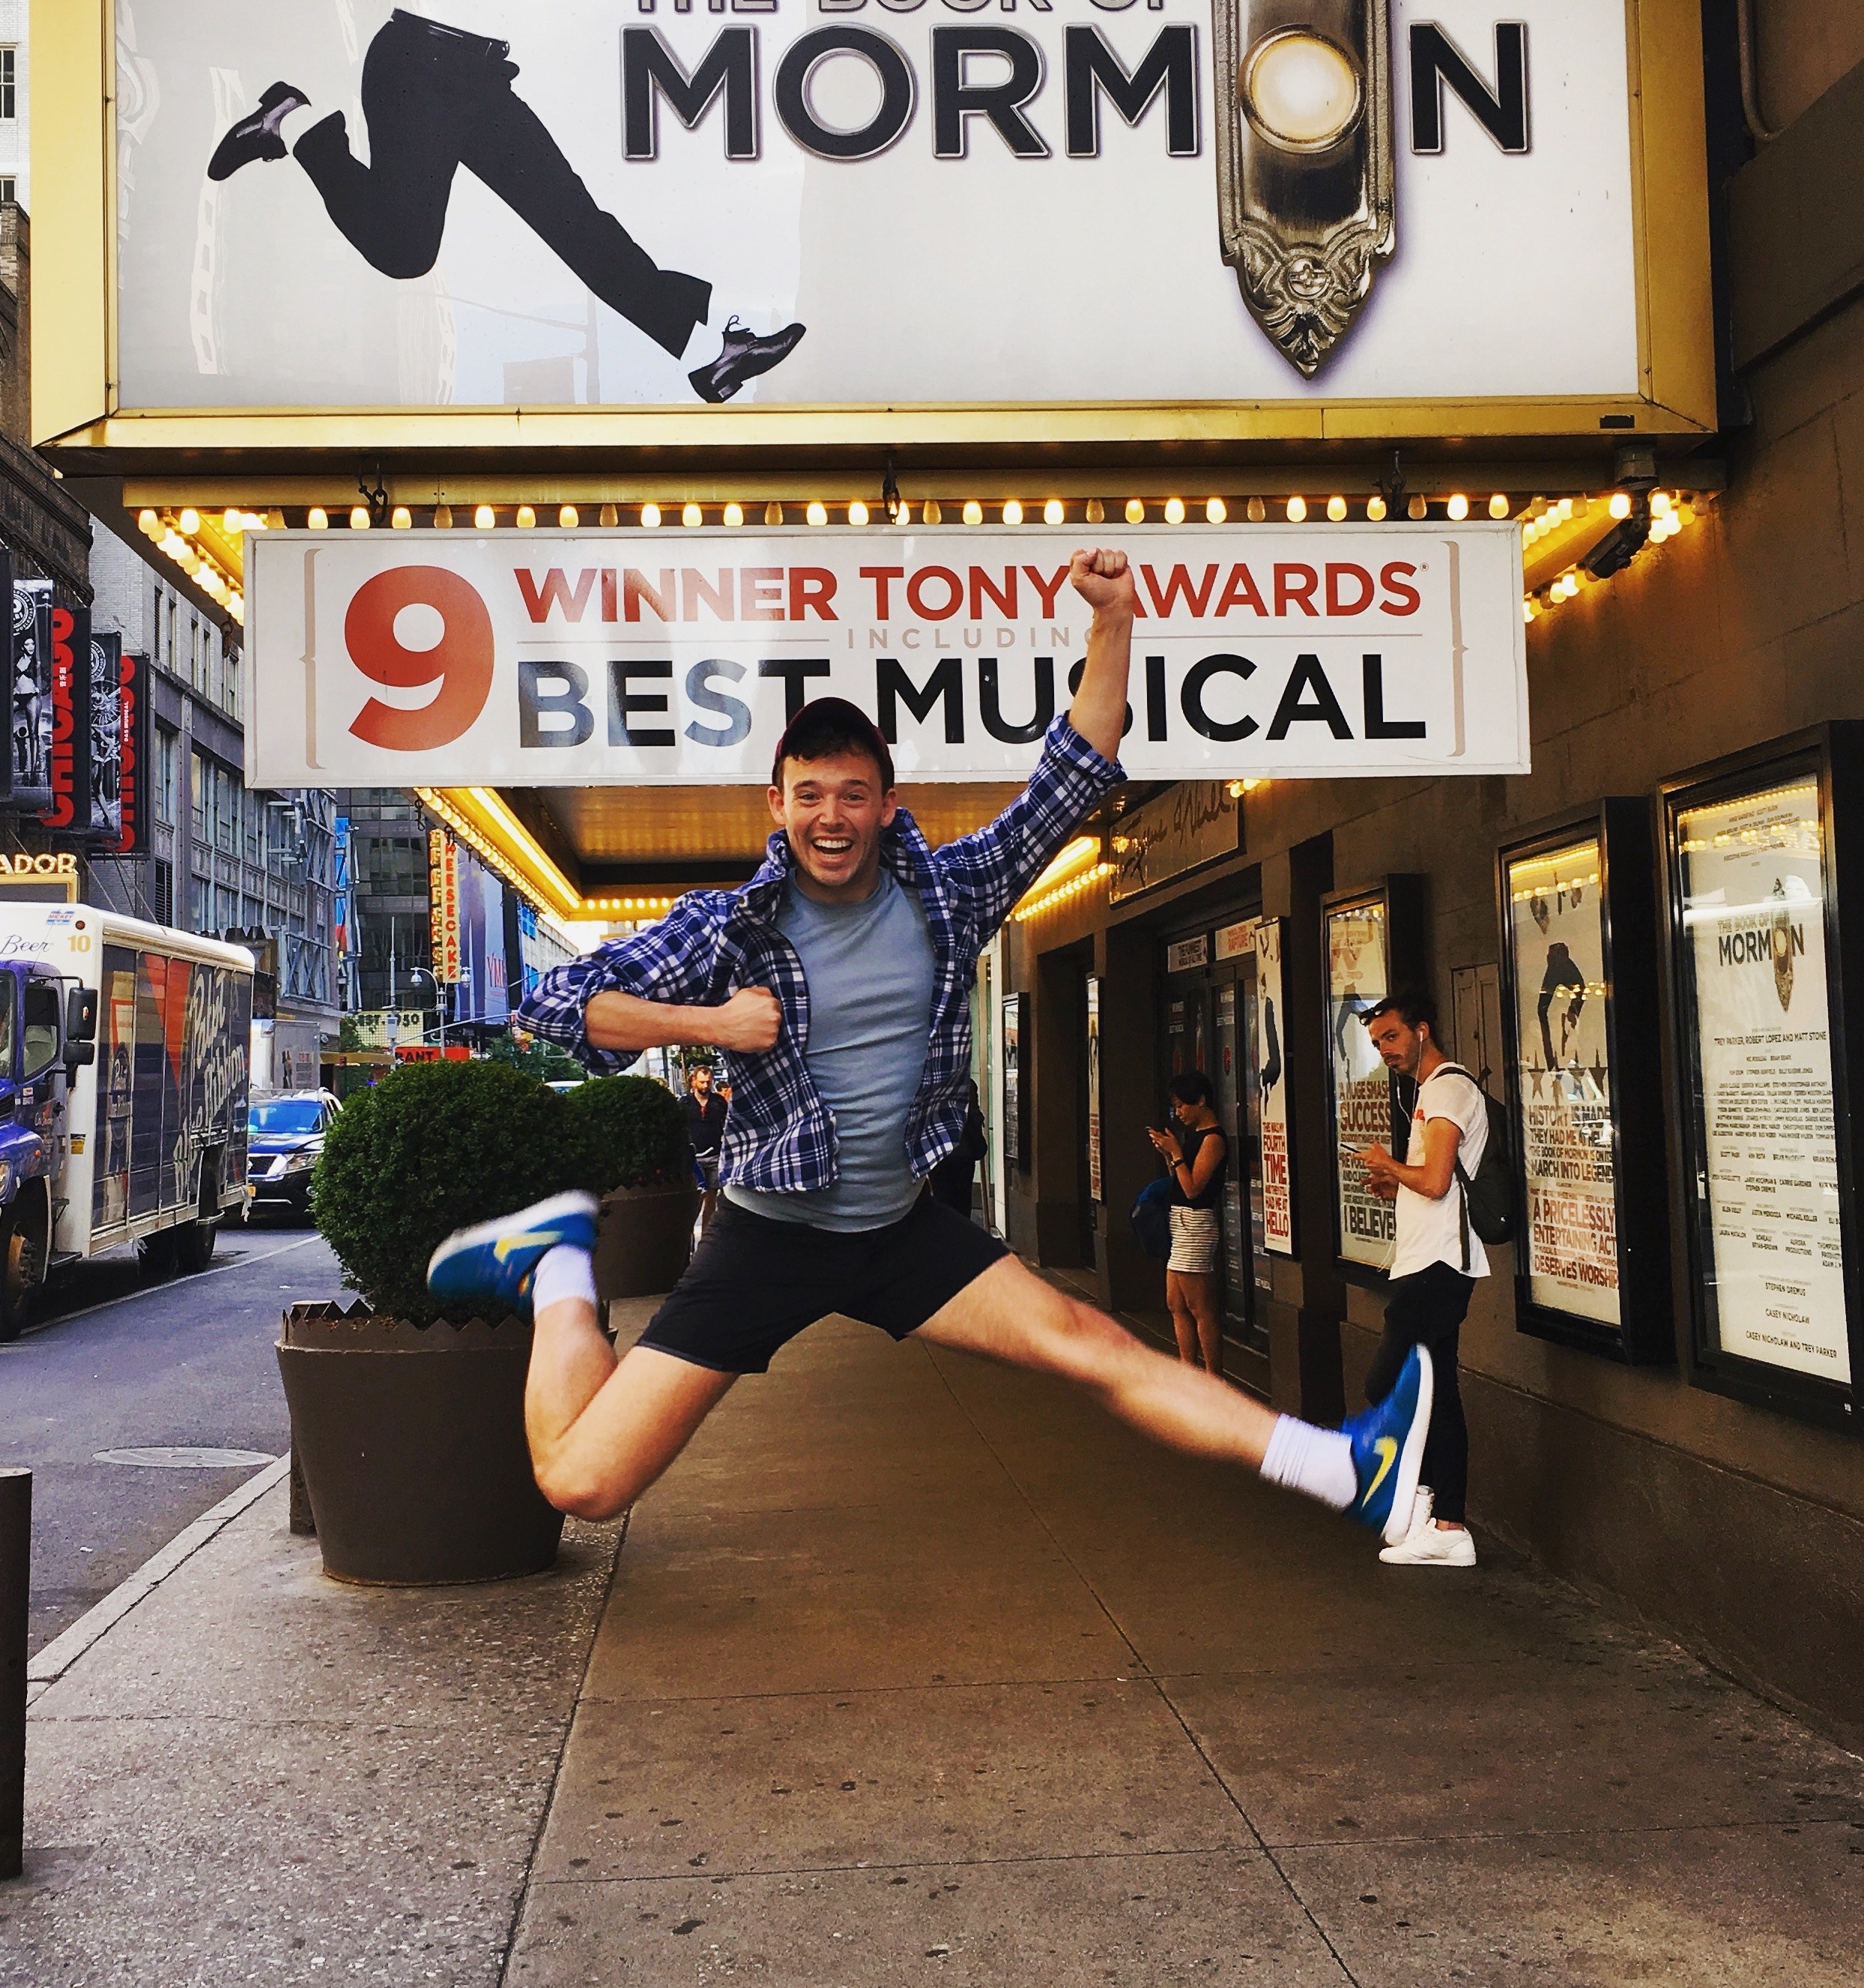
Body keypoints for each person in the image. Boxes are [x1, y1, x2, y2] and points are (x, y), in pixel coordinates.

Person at [427, 548, 1433, 1547]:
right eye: (810, 793)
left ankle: (1347, 1469)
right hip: (768, 1237)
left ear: (885, 805)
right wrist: (709, 1025)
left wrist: (1115, 621)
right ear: (776, 805)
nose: (832, 816)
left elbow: (1069, 775)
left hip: (901, 1231)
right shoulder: (726, 928)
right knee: (583, 1484)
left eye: (853, 794)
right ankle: (557, 1264)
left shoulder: (948, 895)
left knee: (1091, 1344)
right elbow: (554, 1004)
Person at [205, 0, 805, 404]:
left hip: (483, 79)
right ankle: (291, 120)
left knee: (573, 221)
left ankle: (716, 351)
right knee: (407, 253)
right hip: (417, 64)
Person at [1358, 988, 1490, 1569]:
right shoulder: (1428, 1093)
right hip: (1427, 1261)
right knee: (1438, 1391)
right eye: (1376, 1043)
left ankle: (1423, 1498)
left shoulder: (1448, 1088)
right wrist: (1395, 1184)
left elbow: (1436, 1181)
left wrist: (1389, 1163)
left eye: (1390, 1036)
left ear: (1421, 1030)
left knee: (1388, 1381)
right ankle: (1445, 1522)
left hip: (1437, 1268)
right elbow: (1433, 1185)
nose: (1385, 1050)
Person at [1146, 1071, 1226, 1373]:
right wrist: (1170, 1155)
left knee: (1199, 1307)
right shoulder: (1193, 1138)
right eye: (1175, 1107)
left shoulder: (1213, 1139)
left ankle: (1213, 1377)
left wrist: (1177, 1152)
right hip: (1180, 1223)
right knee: (1176, 1303)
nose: (1178, 1113)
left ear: (1201, 1101)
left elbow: (1194, 1189)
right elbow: (1178, 1183)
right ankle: (1188, 1370)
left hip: (1196, 1224)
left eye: (1182, 1106)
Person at [929, 1079, 989, 1219]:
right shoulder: (967, 1084)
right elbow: (974, 1115)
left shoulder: (932, 1084)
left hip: (938, 1152)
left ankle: (947, 1236)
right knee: (962, 1201)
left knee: (942, 1200)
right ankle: (961, 1235)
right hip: (963, 1151)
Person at [686, 1061, 727, 1234]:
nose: (705, 1085)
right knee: (697, 1198)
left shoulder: (719, 1102)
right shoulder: (685, 1103)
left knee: (712, 1197)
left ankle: (705, 1235)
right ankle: (688, 1234)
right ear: (694, 1081)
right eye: (702, 1082)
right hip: (694, 1157)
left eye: (708, 1082)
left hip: (715, 1154)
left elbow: (727, 1124)